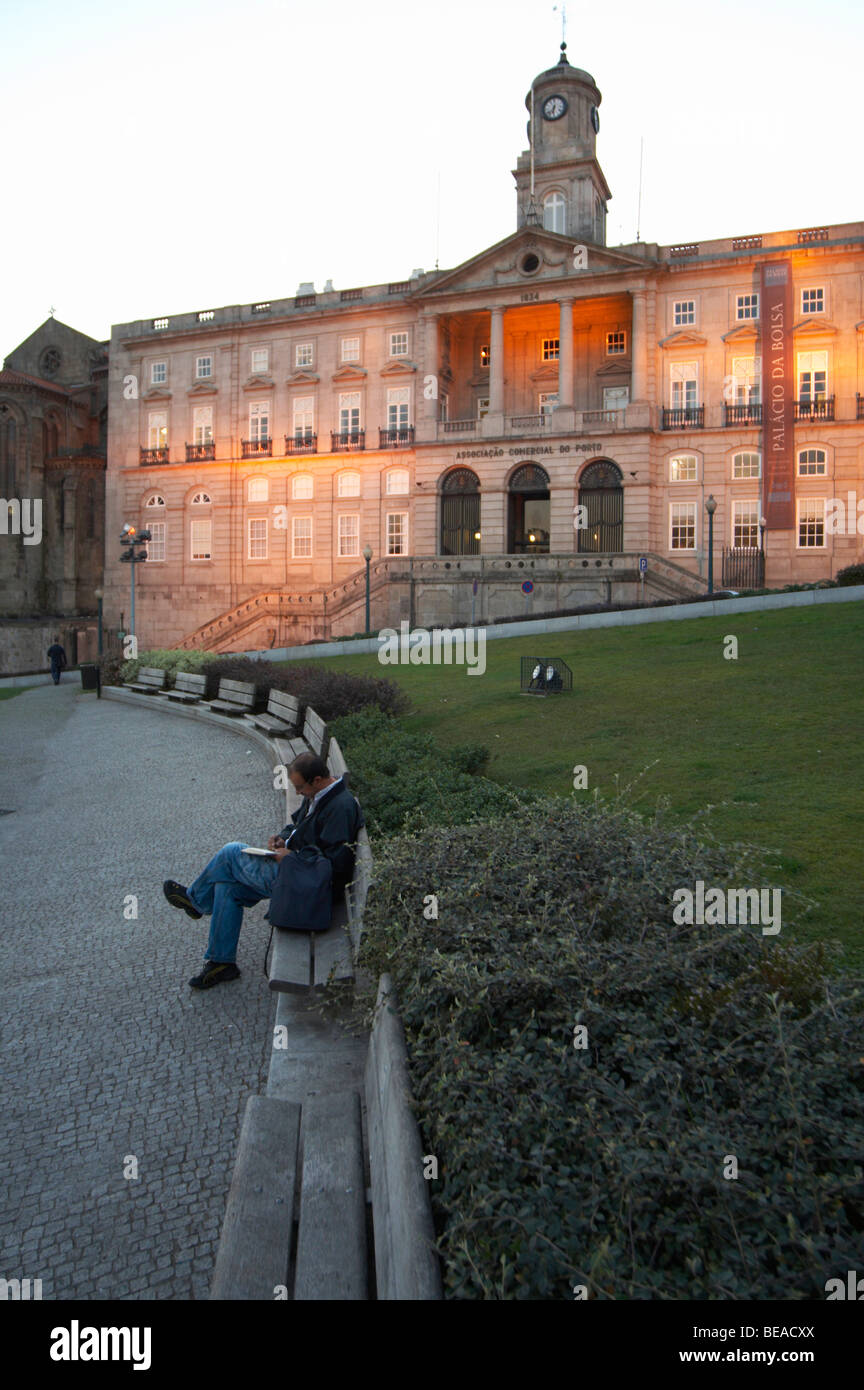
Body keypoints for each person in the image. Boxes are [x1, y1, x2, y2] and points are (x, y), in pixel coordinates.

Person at [162, 752, 364, 990]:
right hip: (294, 872)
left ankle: (196, 902)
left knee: (230, 852)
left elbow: (335, 866)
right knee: (227, 888)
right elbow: (297, 827)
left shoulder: (340, 807)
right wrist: (283, 839)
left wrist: (292, 858)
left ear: (317, 779)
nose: (298, 793)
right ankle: (222, 963)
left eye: (300, 788)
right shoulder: (319, 794)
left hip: (306, 885)